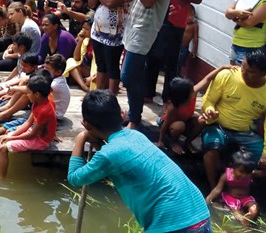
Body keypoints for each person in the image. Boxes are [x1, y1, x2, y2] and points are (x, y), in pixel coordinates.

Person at [68, 90, 211, 233]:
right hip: (200, 215)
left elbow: (75, 177)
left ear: (86, 124)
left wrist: (81, 137)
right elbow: (117, 157)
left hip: (173, 224)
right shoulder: (135, 135)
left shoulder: (107, 155)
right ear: (122, 114)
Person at [119, 0, 175, 129]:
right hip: (132, 27)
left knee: (127, 77)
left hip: (145, 30)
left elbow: (149, 1)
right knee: (133, 75)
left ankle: (135, 117)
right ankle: (134, 114)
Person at [200, 50, 266, 189]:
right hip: (218, 126)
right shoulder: (227, 75)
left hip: (247, 134)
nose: (243, 73)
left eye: (251, 71)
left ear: (263, 73)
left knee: (262, 164)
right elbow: (208, 100)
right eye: (243, 66)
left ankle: (239, 188)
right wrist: (209, 110)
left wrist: (265, 153)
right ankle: (213, 186)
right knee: (211, 150)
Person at [0, 75, 56, 179]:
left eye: (28, 93)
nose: (27, 95)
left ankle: (0, 177)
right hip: (34, 133)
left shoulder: (44, 110)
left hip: (41, 140)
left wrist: (11, 138)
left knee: (3, 148)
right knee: (2, 138)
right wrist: (11, 136)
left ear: (36, 94)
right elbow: (27, 123)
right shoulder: (36, 103)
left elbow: (32, 134)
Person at [155, 65, 228, 155]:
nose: (193, 92)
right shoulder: (173, 108)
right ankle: (174, 142)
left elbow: (207, 79)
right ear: (183, 96)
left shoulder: (192, 92)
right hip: (170, 125)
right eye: (190, 92)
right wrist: (160, 141)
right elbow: (166, 124)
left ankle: (188, 142)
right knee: (179, 126)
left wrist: (222, 68)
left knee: (202, 120)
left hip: (186, 120)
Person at [89, 0, 128, 95]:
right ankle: (98, 93)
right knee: (101, 65)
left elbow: (112, 2)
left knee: (112, 66)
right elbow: (91, 3)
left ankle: (111, 96)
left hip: (114, 33)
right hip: (98, 31)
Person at [206, 148, 260, 227]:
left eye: (247, 173)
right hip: (231, 199)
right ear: (233, 168)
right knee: (236, 212)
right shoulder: (227, 175)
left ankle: (248, 218)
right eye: (241, 172)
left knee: (254, 209)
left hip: (246, 198)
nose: (244, 175)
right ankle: (243, 222)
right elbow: (218, 189)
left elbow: (260, 174)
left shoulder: (251, 175)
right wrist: (208, 199)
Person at [225, 0, 266, 64]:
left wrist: (234, 18)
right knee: (233, 73)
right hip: (236, 42)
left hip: (252, 46)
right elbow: (228, 13)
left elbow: (248, 23)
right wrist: (236, 13)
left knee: (243, 76)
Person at [65, 18, 95, 93]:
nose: (83, 31)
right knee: (71, 61)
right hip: (88, 69)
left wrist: (92, 77)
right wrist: (80, 41)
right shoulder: (86, 40)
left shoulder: (98, 43)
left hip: (98, 73)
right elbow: (76, 58)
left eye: (87, 29)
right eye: (83, 28)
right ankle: (84, 87)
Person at [179, 5, 199, 72]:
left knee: (180, 62)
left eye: (192, 15)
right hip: (177, 46)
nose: (190, 17)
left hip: (184, 48)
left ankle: (178, 73)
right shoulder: (181, 22)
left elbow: (195, 38)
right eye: (188, 15)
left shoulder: (194, 25)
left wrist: (194, 50)